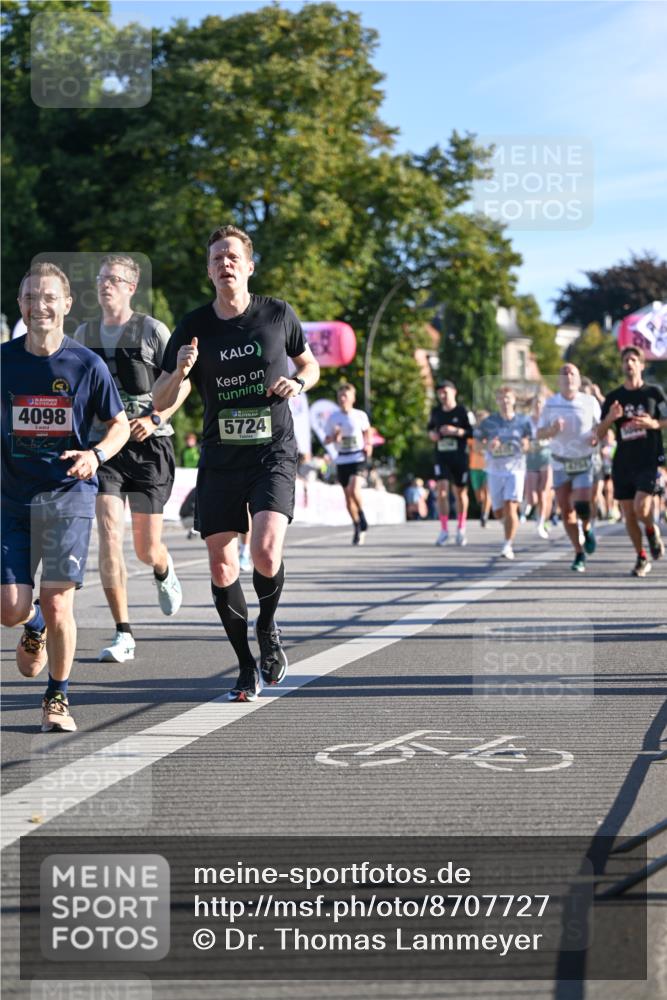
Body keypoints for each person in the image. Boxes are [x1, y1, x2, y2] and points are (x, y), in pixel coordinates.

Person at [153, 224, 320, 701]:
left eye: (232, 257)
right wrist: (180, 371)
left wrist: (298, 383)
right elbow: (161, 399)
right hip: (221, 456)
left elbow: (309, 364)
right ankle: (245, 666)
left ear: (249, 266)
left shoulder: (277, 313)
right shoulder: (194, 326)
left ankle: (267, 627)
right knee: (223, 566)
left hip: (273, 451)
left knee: (265, 551)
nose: (224, 263)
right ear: (208, 272)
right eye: (216, 259)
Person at [1, 262, 129, 732]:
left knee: (59, 602)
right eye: (31, 297)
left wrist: (96, 455)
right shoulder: (3, 361)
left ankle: (57, 697)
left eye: (50, 297)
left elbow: (118, 425)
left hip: (67, 496)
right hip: (11, 499)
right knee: (11, 609)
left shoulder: (86, 364)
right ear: (20, 305)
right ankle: (31, 623)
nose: (40, 305)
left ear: (67, 305)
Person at [74, 255, 189, 664]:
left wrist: (157, 416)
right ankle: (123, 631)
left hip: (149, 447)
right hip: (105, 445)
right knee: (108, 532)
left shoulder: (152, 330)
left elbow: (182, 383)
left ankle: (163, 567)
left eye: (114, 279)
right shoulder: (84, 333)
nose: (105, 284)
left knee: (145, 547)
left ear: (131, 287)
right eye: (101, 278)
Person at [598, 346, 667, 577]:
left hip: (648, 460)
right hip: (623, 463)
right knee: (628, 515)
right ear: (622, 365)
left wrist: (653, 424)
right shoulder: (613, 398)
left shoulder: (654, 393)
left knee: (641, 507)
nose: (629, 363)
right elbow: (599, 433)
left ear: (641, 365)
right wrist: (611, 418)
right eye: (626, 360)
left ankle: (650, 529)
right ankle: (642, 556)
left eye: (633, 360)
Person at [537, 364, 600, 572]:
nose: (568, 376)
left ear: (579, 379)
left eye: (572, 373)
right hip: (560, 461)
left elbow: (600, 428)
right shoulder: (551, 404)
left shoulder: (589, 402)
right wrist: (552, 430)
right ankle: (578, 552)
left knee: (582, 504)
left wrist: (595, 437)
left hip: (583, 460)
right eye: (564, 373)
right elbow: (539, 434)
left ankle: (587, 529)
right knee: (566, 510)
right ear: (559, 380)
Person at [477, 386, 532, 560]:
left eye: (508, 397)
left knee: (510, 505)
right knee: (498, 512)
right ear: (497, 401)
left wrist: (525, 445)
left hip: (516, 468)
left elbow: (530, 442)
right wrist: (487, 445)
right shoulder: (489, 422)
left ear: (514, 400)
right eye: (501, 398)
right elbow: (477, 444)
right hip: (495, 469)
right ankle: (507, 523)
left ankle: (507, 545)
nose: (505, 401)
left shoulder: (523, 421)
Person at [324, 383, 372, 544]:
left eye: (345, 396)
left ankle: (362, 514)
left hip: (357, 457)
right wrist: (334, 437)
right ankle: (357, 525)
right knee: (348, 498)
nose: (342, 399)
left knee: (354, 489)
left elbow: (367, 432)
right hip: (342, 458)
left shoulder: (360, 415)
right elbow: (326, 439)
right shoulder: (333, 418)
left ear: (353, 398)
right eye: (340, 396)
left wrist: (369, 445)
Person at [427, 380, 472, 546]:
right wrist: (432, 435)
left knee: (460, 493)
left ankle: (461, 528)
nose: (442, 396)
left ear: (454, 392)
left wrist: (456, 431)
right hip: (441, 456)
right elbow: (430, 428)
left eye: (445, 392)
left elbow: (472, 432)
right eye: (440, 393)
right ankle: (444, 530)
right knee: (442, 492)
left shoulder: (462, 411)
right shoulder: (436, 412)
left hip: (459, 457)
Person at [524, 395, 552, 540]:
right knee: (532, 498)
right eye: (536, 403)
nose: (538, 406)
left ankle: (541, 523)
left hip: (546, 455)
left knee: (543, 492)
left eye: (541, 403)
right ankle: (532, 508)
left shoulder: (548, 419)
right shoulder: (527, 420)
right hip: (531, 457)